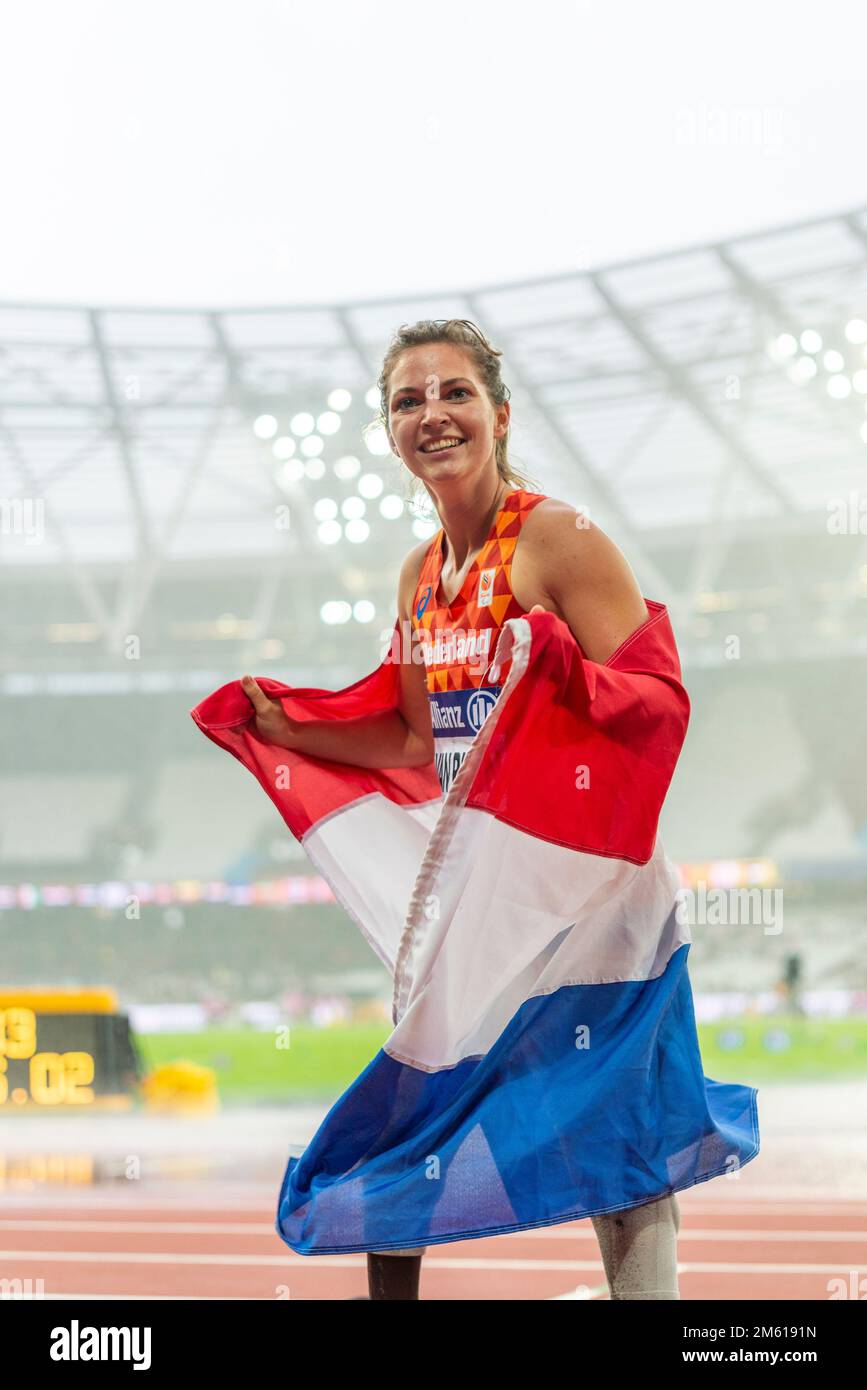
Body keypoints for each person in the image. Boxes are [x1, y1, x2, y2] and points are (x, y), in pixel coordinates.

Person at [240, 319, 683, 1300]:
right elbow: (410, 735)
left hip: (588, 892)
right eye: (408, 400)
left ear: (499, 413)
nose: (431, 413)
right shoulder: (418, 579)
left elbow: (657, 701)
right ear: (391, 430)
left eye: (453, 394)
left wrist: (566, 672)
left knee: (618, 1128)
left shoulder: (558, 539)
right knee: (410, 1108)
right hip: (480, 899)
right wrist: (290, 731)